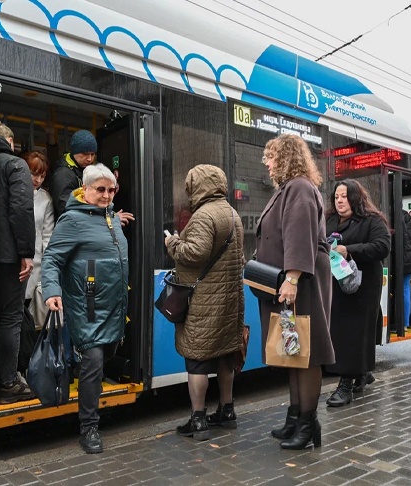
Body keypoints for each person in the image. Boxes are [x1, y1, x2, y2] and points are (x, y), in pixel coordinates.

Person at [42, 163, 129, 454]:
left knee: (103, 358)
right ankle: (89, 427)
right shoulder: (73, 219)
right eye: (100, 189)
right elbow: (52, 258)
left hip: (114, 305)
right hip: (87, 305)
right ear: (86, 189)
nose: (106, 195)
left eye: (110, 190)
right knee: (93, 361)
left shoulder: (111, 218)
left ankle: (87, 396)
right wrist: (52, 291)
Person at [256, 134, 335, 450]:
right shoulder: (289, 189)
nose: (268, 163)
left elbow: (299, 237)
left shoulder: (300, 188)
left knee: (306, 353)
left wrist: (291, 279)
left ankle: (308, 423)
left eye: (271, 157)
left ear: (286, 157)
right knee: (292, 352)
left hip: (301, 284)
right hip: (292, 284)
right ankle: (295, 417)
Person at [163, 165, 244, 441]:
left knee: (197, 360)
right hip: (229, 300)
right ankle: (227, 411)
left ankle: (198, 420)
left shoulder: (202, 216)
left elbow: (194, 253)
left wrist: (173, 242)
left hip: (204, 301)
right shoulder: (232, 214)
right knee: (224, 356)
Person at [325, 179, 390, 406]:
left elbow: (383, 246)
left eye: (344, 196)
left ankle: (345, 386)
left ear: (355, 198)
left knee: (353, 334)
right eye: (337, 197)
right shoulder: (329, 220)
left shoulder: (371, 220)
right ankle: (361, 373)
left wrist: (348, 251)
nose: (340, 200)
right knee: (341, 333)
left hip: (362, 287)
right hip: (335, 286)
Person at [0, 124, 36, 404]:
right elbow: (21, 210)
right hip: (10, 257)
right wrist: (26, 252)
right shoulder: (14, 164)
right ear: (10, 140)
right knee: (11, 317)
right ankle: (8, 383)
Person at [21, 151, 54, 324]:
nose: (38, 180)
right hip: (14, 261)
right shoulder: (12, 191)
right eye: (34, 174)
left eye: (42, 176)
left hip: (37, 263)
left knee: (32, 312)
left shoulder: (45, 198)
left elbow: (48, 234)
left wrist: (49, 268)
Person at [401, 210, 411, 328]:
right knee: (405, 289)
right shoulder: (406, 216)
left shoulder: (387, 213)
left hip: (399, 258)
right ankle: (405, 323)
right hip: (409, 258)